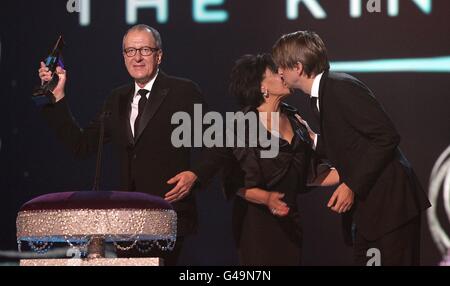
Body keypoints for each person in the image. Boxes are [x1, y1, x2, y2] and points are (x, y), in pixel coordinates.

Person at [38, 24, 208, 265]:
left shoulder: (184, 92)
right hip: (126, 221)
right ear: (123, 57)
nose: (137, 57)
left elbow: (215, 145)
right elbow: (82, 144)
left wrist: (196, 174)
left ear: (159, 55)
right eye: (130, 51)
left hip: (169, 215)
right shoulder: (116, 99)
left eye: (145, 50)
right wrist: (57, 97)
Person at [272, 31, 431, 265]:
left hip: (391, 207)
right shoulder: (322, 95)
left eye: (281, 67)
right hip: (371, 213)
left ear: (297, 67)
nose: (279, 73)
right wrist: (314, 139)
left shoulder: (340, 87)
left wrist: (352, 185)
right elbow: (353, 144)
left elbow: (385, 137)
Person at [223, 54, 339, 266]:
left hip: (289, 219)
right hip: (257, 222)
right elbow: (235, 183)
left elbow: (312, 174)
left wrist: (356, 172)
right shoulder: (242, 126)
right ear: (261, 88)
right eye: (275, 73)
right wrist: (267, 198)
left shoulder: (295, 119)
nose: (283, 74)